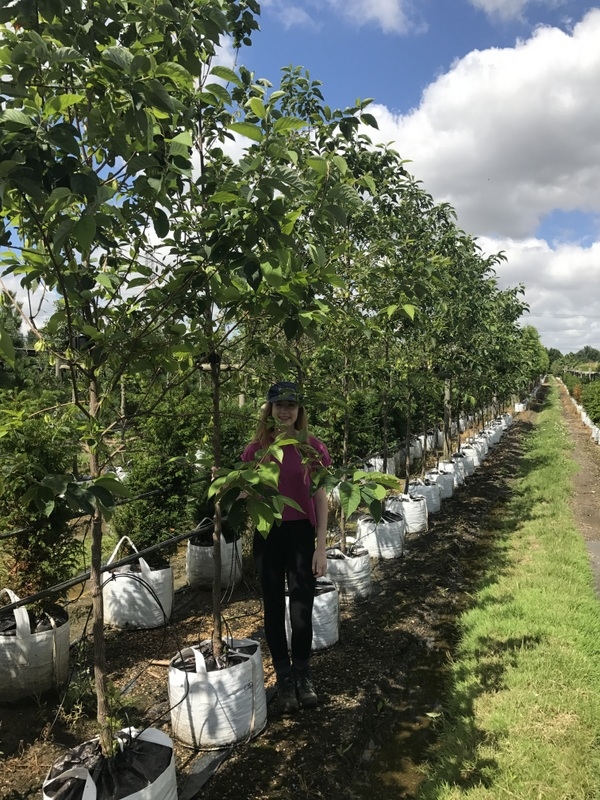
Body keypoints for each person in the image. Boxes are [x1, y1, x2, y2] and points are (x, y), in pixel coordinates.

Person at [241, 381, 331, 714]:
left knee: (302, 608)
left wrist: (321, 545)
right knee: (274, 607)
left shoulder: (312, 448)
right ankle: (284, 677)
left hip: (301, 536)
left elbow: (320, 498)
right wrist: (226, 482)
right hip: (268, 535)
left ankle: (303, 673)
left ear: (299, 412)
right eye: (279, 405)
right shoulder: (255, 450)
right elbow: (246, 494)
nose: (285, 411)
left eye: (291, 406)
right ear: (269, 409)